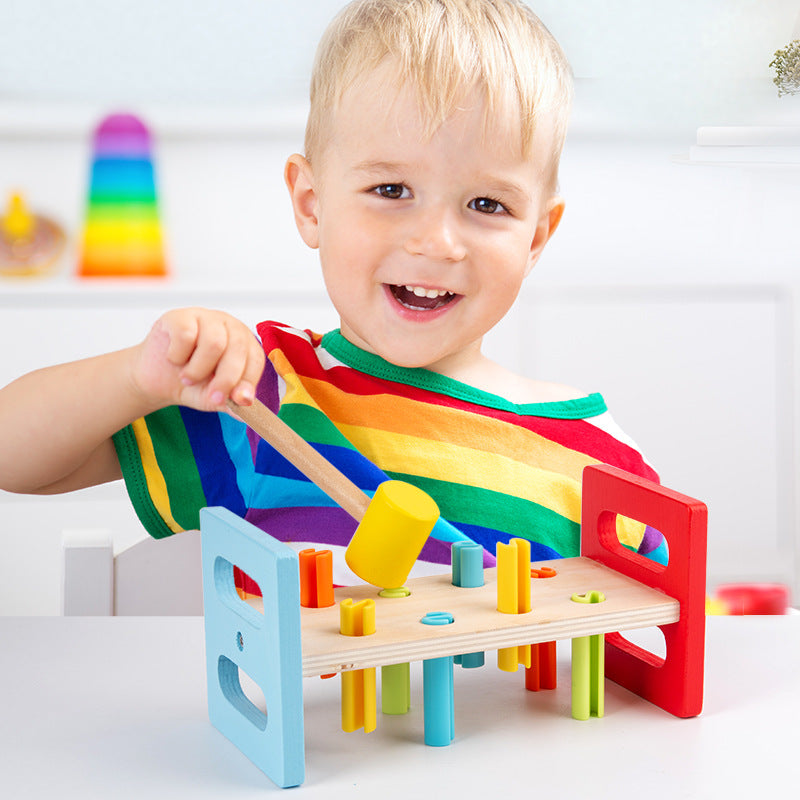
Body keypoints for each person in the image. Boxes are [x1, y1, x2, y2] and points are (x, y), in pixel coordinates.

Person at [0, 0, 666, 586]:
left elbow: (638, 649)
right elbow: (14, 456)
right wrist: (137, 376)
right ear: (312, 204)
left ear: (537, 236)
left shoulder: (601, 462)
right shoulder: (264, 394)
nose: (437, 241)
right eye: (391, 191)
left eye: (487, 203)